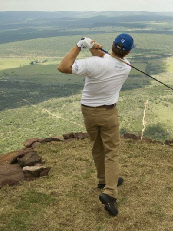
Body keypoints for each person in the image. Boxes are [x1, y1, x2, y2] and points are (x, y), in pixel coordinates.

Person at [57, 33, 134, 216]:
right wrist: (94, 49)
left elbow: (63, 67)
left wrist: (80, 45)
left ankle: (103, 180)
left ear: (112, 45)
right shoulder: (127, 67)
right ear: (128, 51)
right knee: (112, 152)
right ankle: (110, 192)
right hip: (108, 113)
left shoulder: (94, 63)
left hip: (89, 112)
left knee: (97, 147)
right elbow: (106, 59)